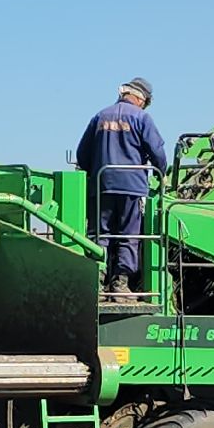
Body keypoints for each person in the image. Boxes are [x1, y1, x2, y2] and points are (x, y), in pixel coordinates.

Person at [74, 77, 167, 296]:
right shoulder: (142, 118)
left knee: (99, 234)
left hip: (101, 185)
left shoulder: (100, 116)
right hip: (131, 187)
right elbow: (157, 152)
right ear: (140, 99)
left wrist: (94, 171)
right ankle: (121, 285)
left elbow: (82, 154)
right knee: (128, 235)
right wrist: (161, 172)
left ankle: (96, 282)